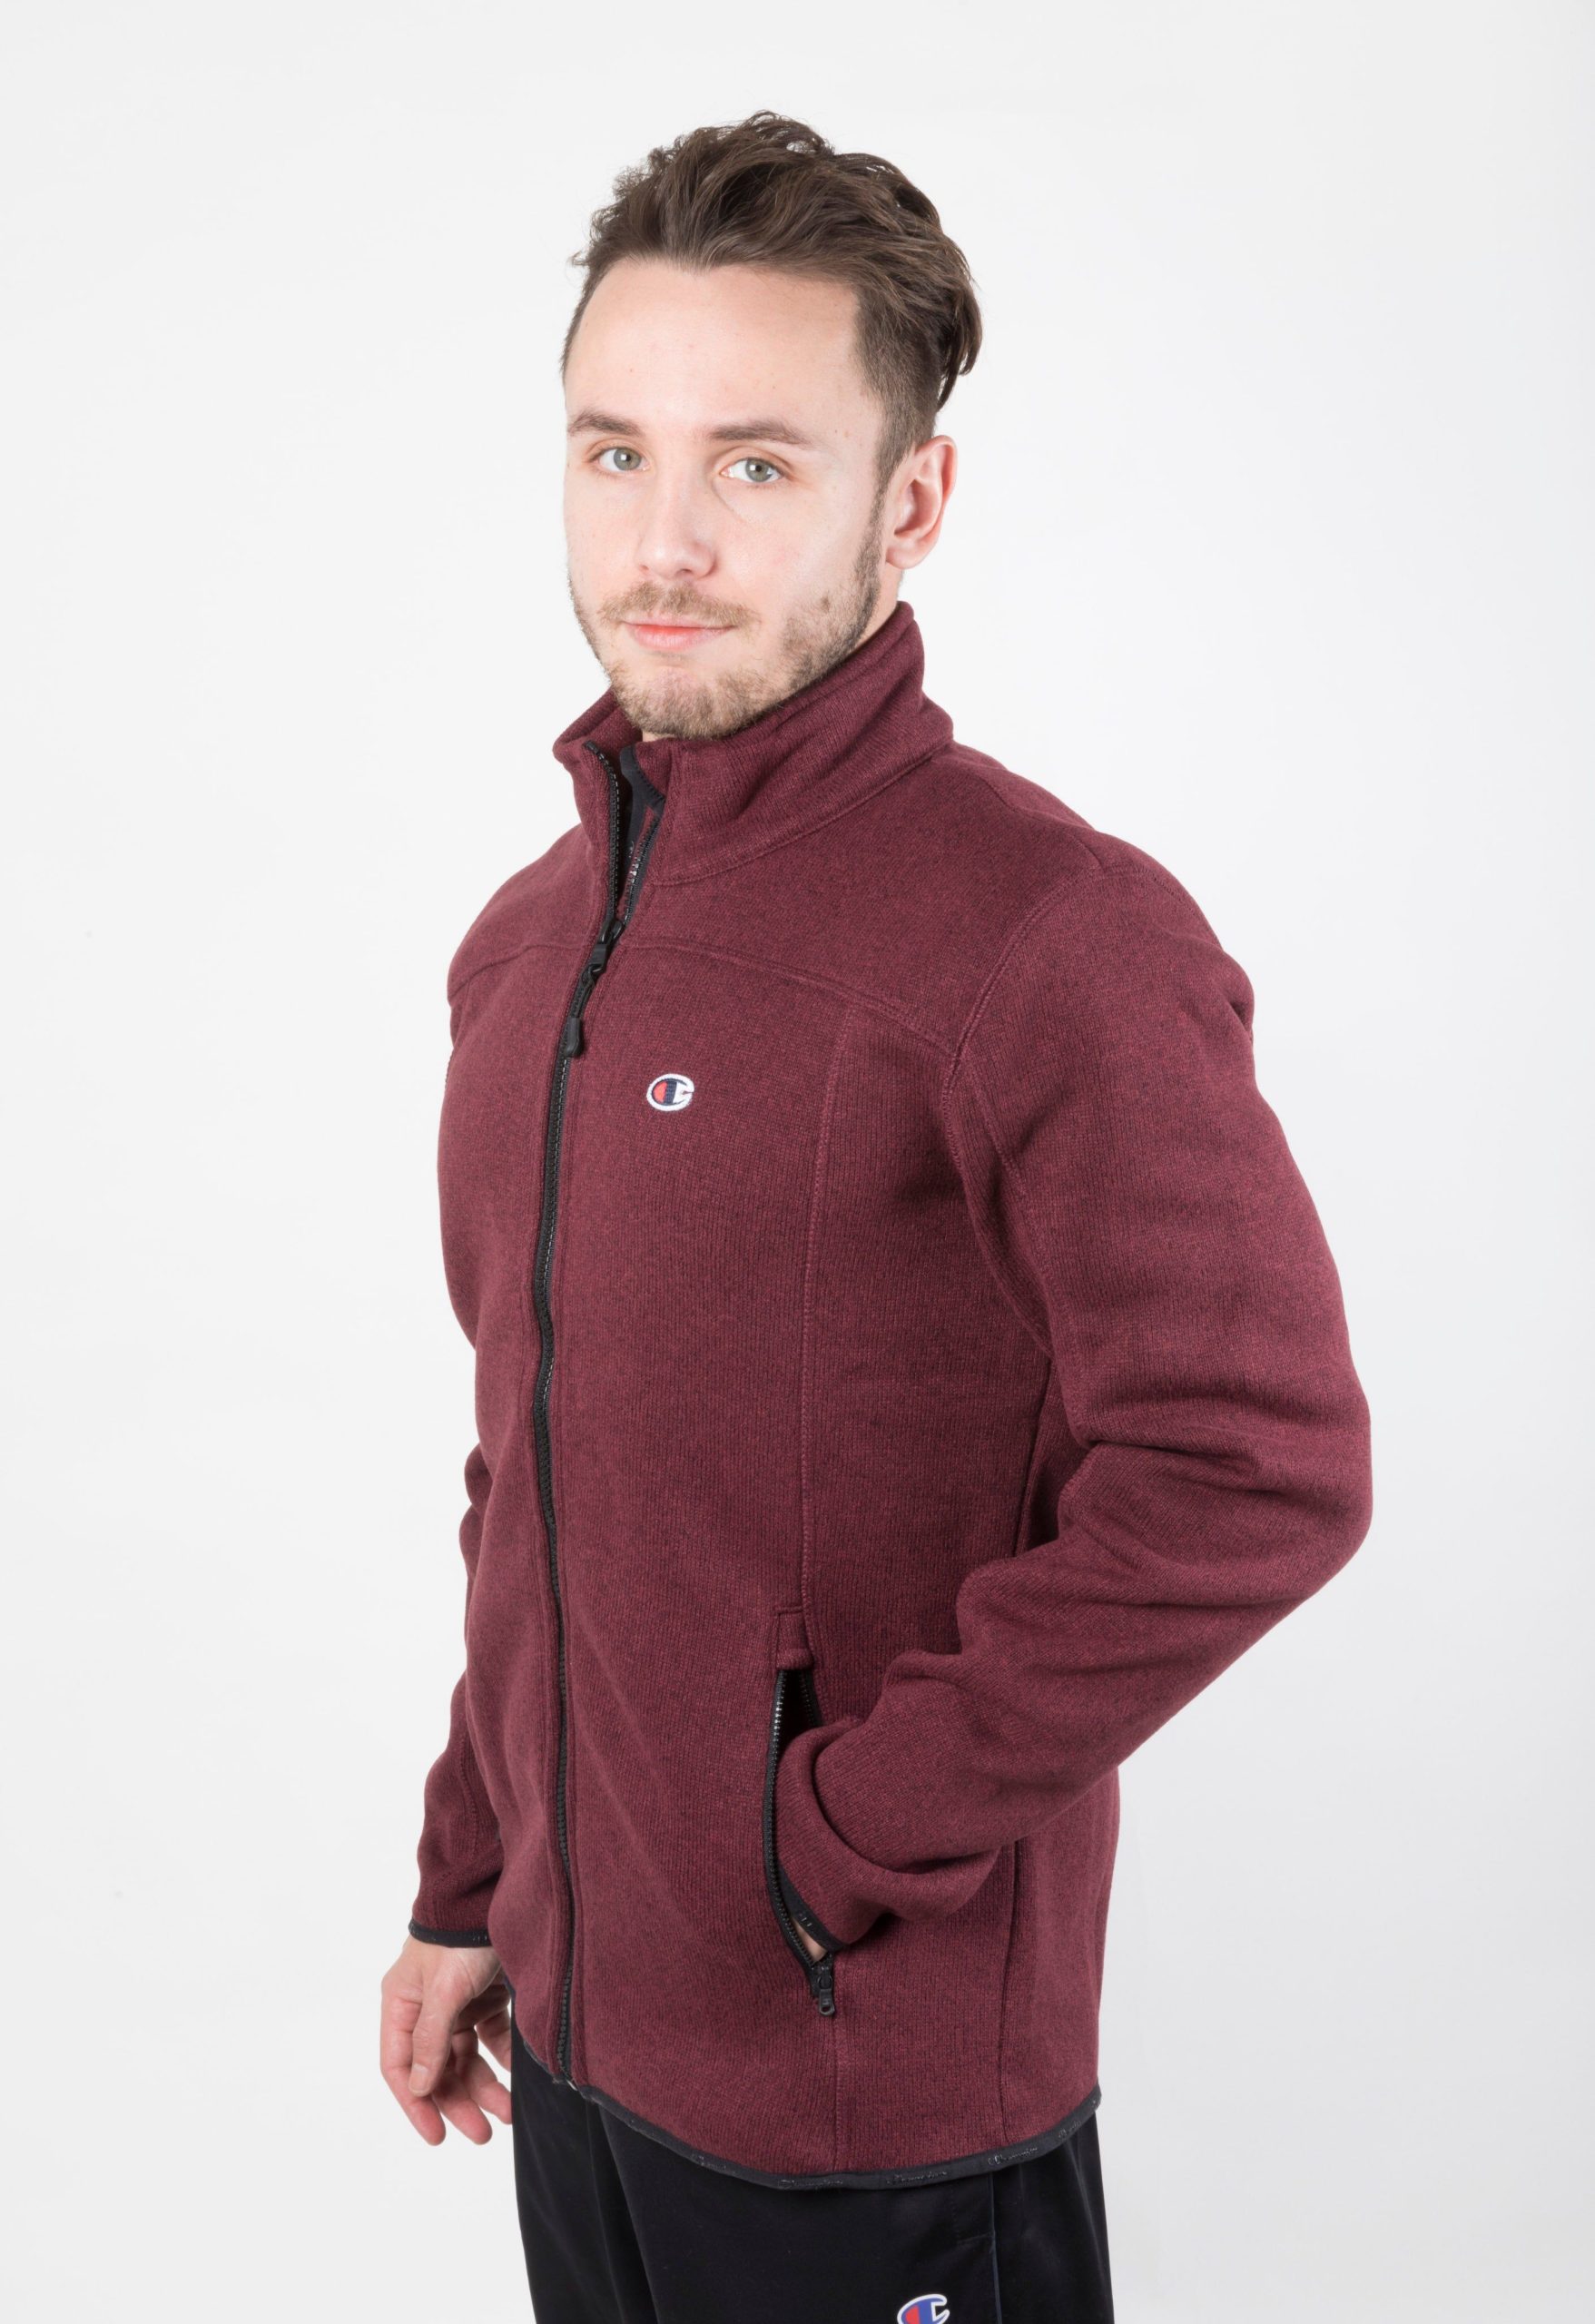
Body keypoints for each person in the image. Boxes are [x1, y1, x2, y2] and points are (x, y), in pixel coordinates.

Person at [378, 110, 1373, 2322]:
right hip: (586, 2067)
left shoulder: (1048, 936)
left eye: (755, 462)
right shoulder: (528, 949)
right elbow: (535, 1462)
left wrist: (825, 1845)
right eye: (615, 452)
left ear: (908, 503)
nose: (665, 538)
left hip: (875, 2113)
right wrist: (475, 1875)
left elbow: (1258, 1465)